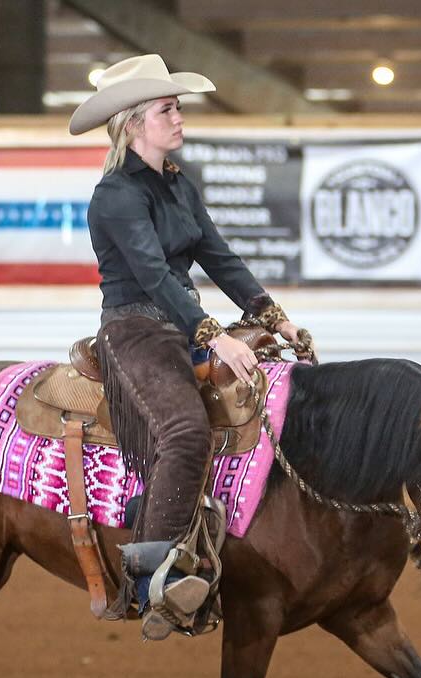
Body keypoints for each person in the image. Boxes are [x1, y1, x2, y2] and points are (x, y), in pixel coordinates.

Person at [68, 54, 303, 637]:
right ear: (132, 123)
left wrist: (273, 316)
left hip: (174, 326)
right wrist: (216, 337)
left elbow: (220, 258)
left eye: (177, 107)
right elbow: (153, 275)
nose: (178, 118)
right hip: (133, 331)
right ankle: (152, 583)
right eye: (166, 109)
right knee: (185, 430)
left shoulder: (176, 184)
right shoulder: (116, 195)